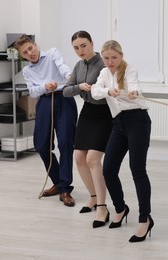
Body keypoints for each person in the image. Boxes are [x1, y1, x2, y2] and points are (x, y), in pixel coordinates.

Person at [91, 40, 153, 242]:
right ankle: (120, 208)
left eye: (114, 58)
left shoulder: (129, 70)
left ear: (121, 55)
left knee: (137, 169)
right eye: (106, 58)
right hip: (118, 124)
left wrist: (133, 92)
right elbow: (94, 91)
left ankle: (145, 219)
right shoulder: (103, 73)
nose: (110, 62)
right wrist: (108, 91)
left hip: (137, 120)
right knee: (108, 169)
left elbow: (133, 85)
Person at [14, 35, 78, 207]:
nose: (30, 53)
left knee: (65, 143)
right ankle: (57, 182)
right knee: (41, 145)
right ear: (22, 56)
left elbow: (63, 67)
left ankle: (65, 188)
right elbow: (33, 92)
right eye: (25, 53)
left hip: (64, 99)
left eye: (30, 48)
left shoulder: (52, 54)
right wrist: (44, 87)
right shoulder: (27, 71)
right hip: (44, 102)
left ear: (35, 45)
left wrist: (70, 76)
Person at [63, 31, 112, 227]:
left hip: (105, 114)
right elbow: (66, 91)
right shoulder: (78, 65)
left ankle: (102, 207)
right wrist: (80, 87)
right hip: (87, 113)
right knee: (78, 158)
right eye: (76, 47)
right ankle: (92, 197)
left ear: (92, 43)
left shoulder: (103, 63)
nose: (80, 50)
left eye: (84, 45)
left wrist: (85, 88)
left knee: (93, 159)